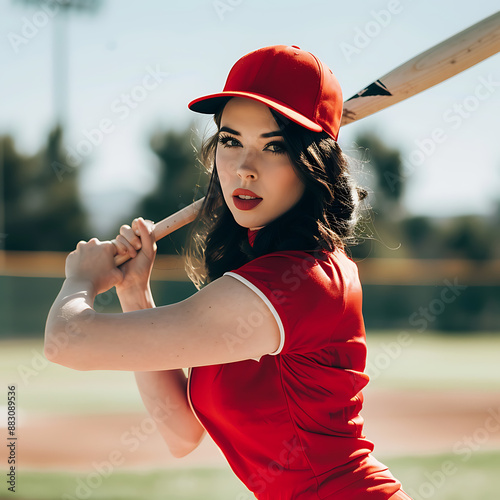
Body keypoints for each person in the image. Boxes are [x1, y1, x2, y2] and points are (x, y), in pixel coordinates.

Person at [45, 45, 412, 499]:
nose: (244, 168)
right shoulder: (254, 276)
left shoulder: (302, 282)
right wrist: (133, 291)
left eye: (274, 147)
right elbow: (182, 433)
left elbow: (67, 342)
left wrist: (80, 280)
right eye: (231, 141)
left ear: (312, 165)